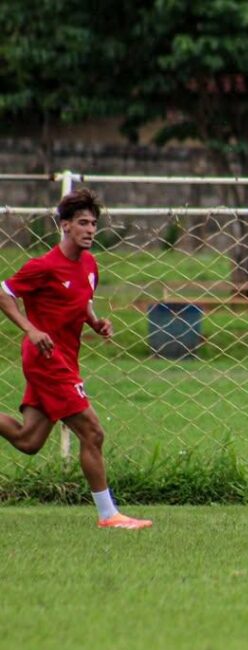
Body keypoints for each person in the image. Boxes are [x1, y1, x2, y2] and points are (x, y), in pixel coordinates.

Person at [0, 188, 152, 530]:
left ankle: (108, 514)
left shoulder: (90, 264)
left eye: (94, 223)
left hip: (67, 359)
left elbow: (81, 300)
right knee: (93, 432)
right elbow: (4, 293)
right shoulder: (43, 266)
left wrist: (94, 322)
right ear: (65, 225)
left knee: (29, 440)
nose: (90, 230)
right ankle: (108, 515)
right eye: (83, 223)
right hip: (46, 359)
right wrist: (30, 329)